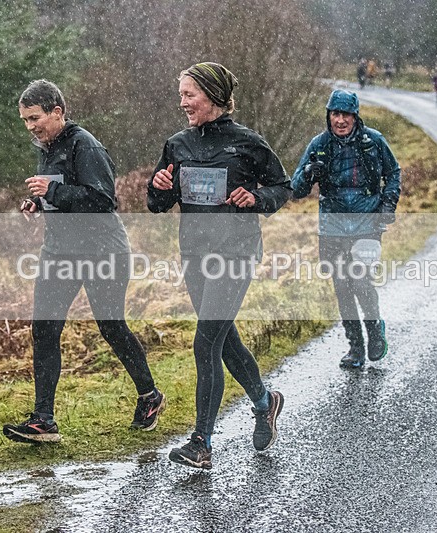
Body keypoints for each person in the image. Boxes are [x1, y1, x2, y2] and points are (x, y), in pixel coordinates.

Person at [2, 80, 166, 444]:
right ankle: (44, 420)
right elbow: (59, 193)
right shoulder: (45, 145)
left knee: (110, 325)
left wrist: (53, 192)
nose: (30, 126)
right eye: (25, 120)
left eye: (35, 118)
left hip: (102, 250)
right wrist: (39, 203)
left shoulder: (85, 144)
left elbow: (103, 199)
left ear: (57, 112)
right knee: (44, 329)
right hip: (59, 251)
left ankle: (149, 396)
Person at [147, 62, 292, 469]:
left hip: (235, 254)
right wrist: (157, 188)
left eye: (189, 94)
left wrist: (257, 199)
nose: (182, 102)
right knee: (224, 339)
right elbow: (157, 205)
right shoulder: (177, 144)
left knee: (205, 341)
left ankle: (201, 443)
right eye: (181, 94)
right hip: (195, 254)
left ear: (211, 95)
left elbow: (283, 187)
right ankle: (265, 402)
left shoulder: (248, 143)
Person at [291, 89, 401, 369]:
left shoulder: (374, 141)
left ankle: (375, 330)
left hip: (367, 222)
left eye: (346, 115)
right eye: (335, 114)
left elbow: (393, 172)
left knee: (361, 281)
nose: (340, 120)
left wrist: (389, 203)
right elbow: (296, 190)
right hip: (332, 224)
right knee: (342, 286)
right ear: (328, 116)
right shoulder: (319, 145)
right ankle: (355, 348)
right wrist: (309, 173)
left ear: (355, 116)